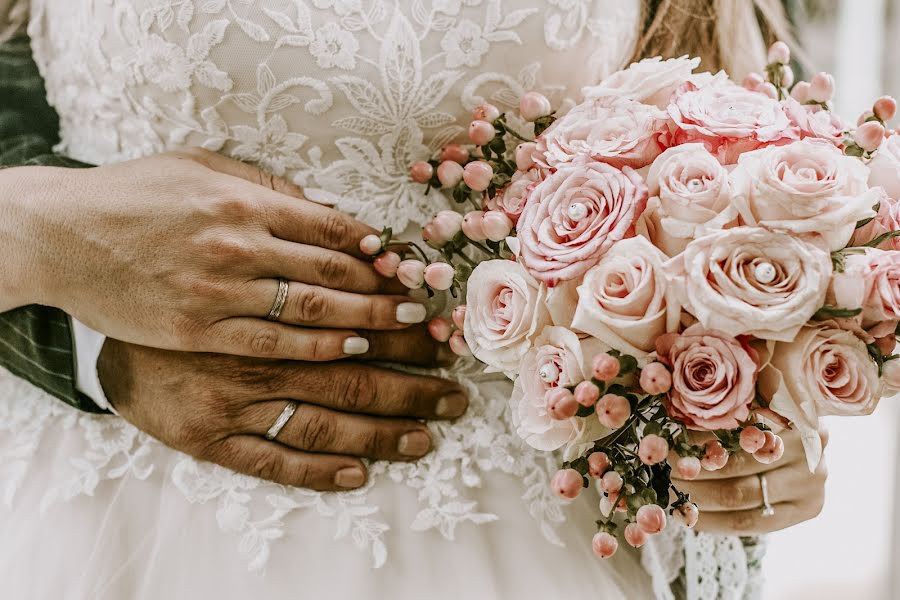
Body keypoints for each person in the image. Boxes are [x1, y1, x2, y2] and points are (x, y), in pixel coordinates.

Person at [0, 1, 827, 598]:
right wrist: (42, 240)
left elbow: (719, 131)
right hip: (121, 500)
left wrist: (759, 387)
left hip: (534, 523)